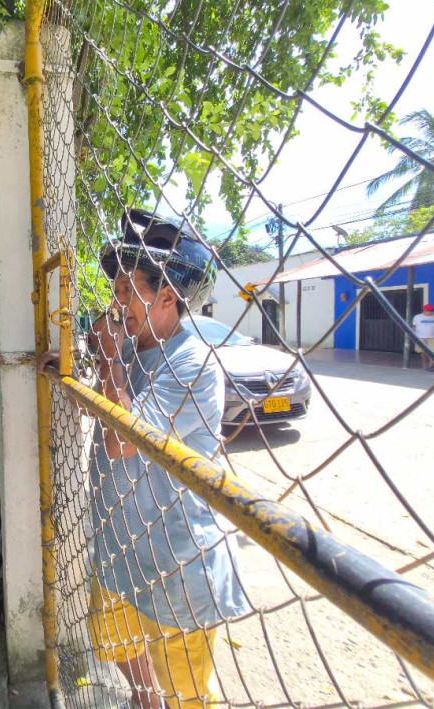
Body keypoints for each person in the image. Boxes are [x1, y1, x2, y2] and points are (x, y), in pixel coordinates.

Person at [84, 209, 249, 708]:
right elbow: (107, 404)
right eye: (115, 295)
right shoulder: (136, 348)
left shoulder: (193, 363)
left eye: (126, 294)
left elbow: (121, 440)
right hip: (123, 548)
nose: (117, 308)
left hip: (178, 565)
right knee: (122, 653)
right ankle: (144, 700)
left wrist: (109, 356)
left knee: (185, 695)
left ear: (168, 297)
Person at [411, 303, 434, 372]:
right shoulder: (417, 317)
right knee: (423, 352)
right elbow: (414, 327)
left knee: (433, 352)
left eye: (432, 310)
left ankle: (430, 366)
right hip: (420, 338)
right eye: (430, 310)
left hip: (432, 338)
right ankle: (425, 364)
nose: (432, 312)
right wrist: (413, 336)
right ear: (424, 311)